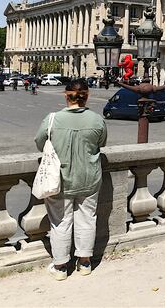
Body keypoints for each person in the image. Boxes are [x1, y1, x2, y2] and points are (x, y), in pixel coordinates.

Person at [34, 79, 107, 281]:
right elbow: (101, 143)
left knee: (60, 222)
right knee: (87, 220)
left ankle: (60, 267)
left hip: (61, 180)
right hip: (89, 178)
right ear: (87, 96)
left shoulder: (52, 119)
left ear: (66, 96)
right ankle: (84, 263)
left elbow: (40, 143)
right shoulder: (97, 120)